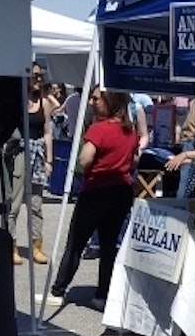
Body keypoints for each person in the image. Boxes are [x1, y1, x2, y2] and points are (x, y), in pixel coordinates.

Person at [42, 87, 138, 309]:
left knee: (76, 242)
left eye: (97, 98)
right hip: (121, 192)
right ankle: (103, 294)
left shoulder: (99, 129)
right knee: (108, 245)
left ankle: (58, 290)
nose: (92, 102)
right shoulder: (129, 130)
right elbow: (134, 160)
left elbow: (85, 160)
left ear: (110, 100)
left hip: (96, 191)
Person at [7, 64, 55, 265]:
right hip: (18, 154)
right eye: (35, 76)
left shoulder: (43, 102)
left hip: (37, 154)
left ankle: (36, 246)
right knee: (14, 205)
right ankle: (11, 246)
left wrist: (49, 160)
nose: (39, 80)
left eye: (41, 76)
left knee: (36, 205)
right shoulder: (16, 102)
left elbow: (47, 132)